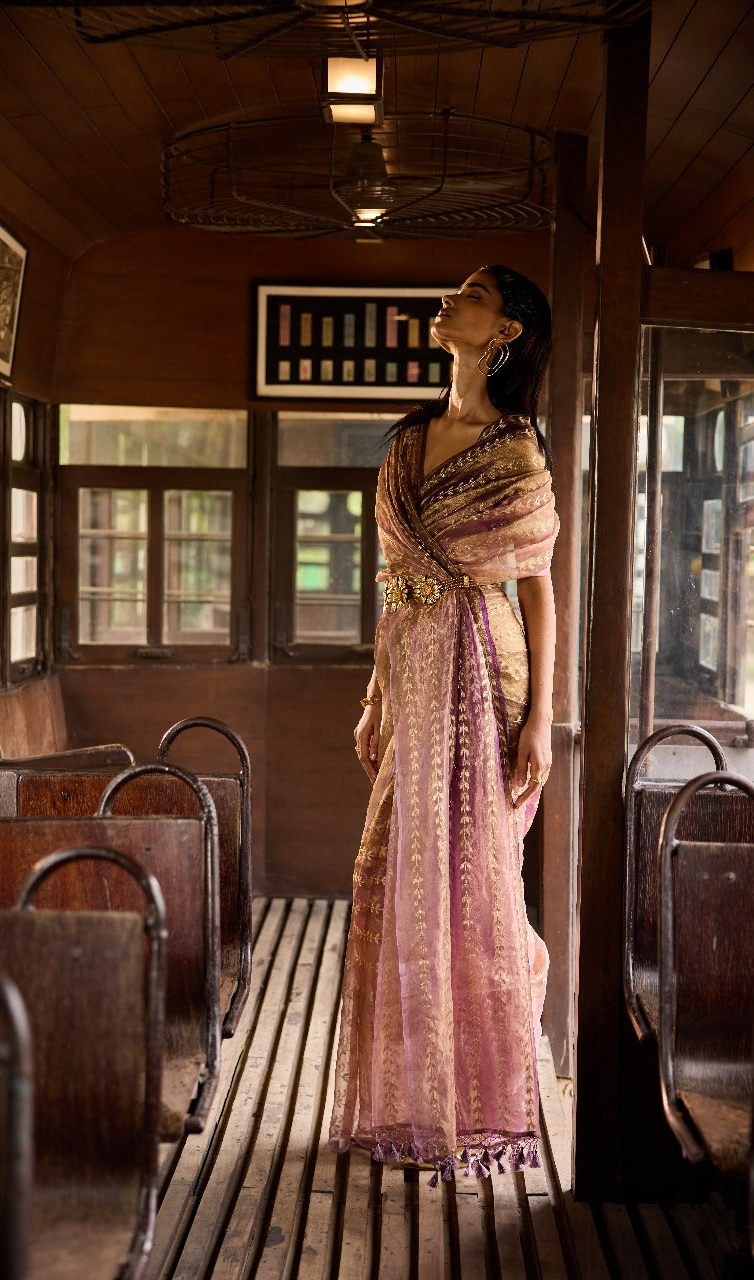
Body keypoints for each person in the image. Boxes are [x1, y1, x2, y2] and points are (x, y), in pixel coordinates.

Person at [328, 265, 558, 1186]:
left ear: (502, 332)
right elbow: (390, 585)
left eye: (469, 294)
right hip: (413, 666)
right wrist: (375, 694)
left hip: (485, 667)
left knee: (474, 877)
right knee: (394, 866)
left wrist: (544, 717)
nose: (448, 301)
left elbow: (536, 585)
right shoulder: (409, 437)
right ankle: (409, 1096)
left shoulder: (516, 447)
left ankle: (476, 1101)